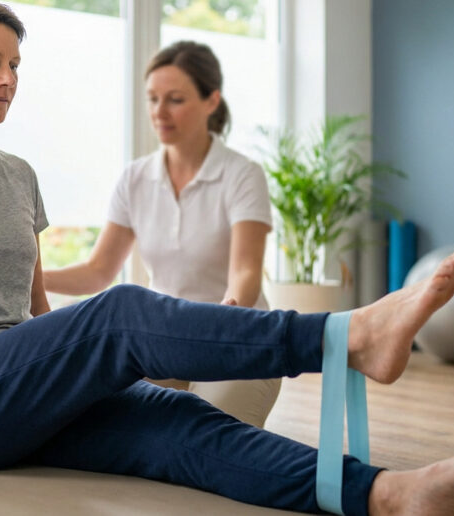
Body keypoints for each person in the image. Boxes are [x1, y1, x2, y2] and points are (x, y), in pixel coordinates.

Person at [0, 0, 454, 516]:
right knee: (122, 313)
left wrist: (74, 372)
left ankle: (385, 496)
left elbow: (33, 310)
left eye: (15, 64)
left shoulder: (18, 175)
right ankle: (348, 337)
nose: (9, 78)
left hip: (16, 395)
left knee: (177, 421)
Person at [42, 40, 280, 428]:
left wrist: (228, 314)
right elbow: (99, 271)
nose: (159, 112)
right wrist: (34, 277)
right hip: (166, 339)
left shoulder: (242, 174)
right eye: (153, 99)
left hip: (238, 339)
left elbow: (247, 271)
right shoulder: (135, 178)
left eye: (175, 99)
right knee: (113, 424)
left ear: (211, 101)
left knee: (208, 437)